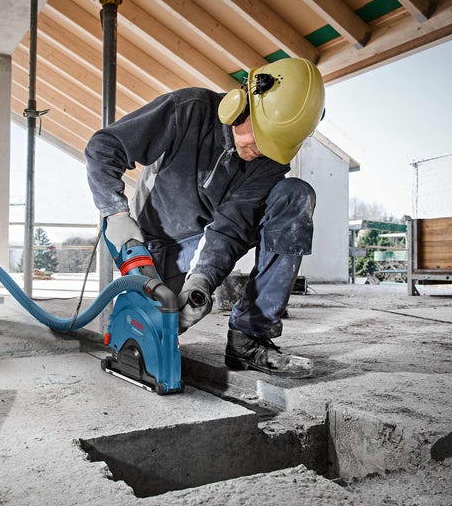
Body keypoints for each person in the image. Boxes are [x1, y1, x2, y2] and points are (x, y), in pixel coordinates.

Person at [85, 57, 325, 376]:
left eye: (272, 147)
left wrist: (202, 282)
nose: (261, 151)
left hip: (206, 236)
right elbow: (104, 147)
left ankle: (249, 338)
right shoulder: (189, 109)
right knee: (148, 332)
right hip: (154, 242)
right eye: (260, 137)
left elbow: (231, 226)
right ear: (241, 104)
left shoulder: (268, 162)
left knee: (295, 194)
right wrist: (115, 213)